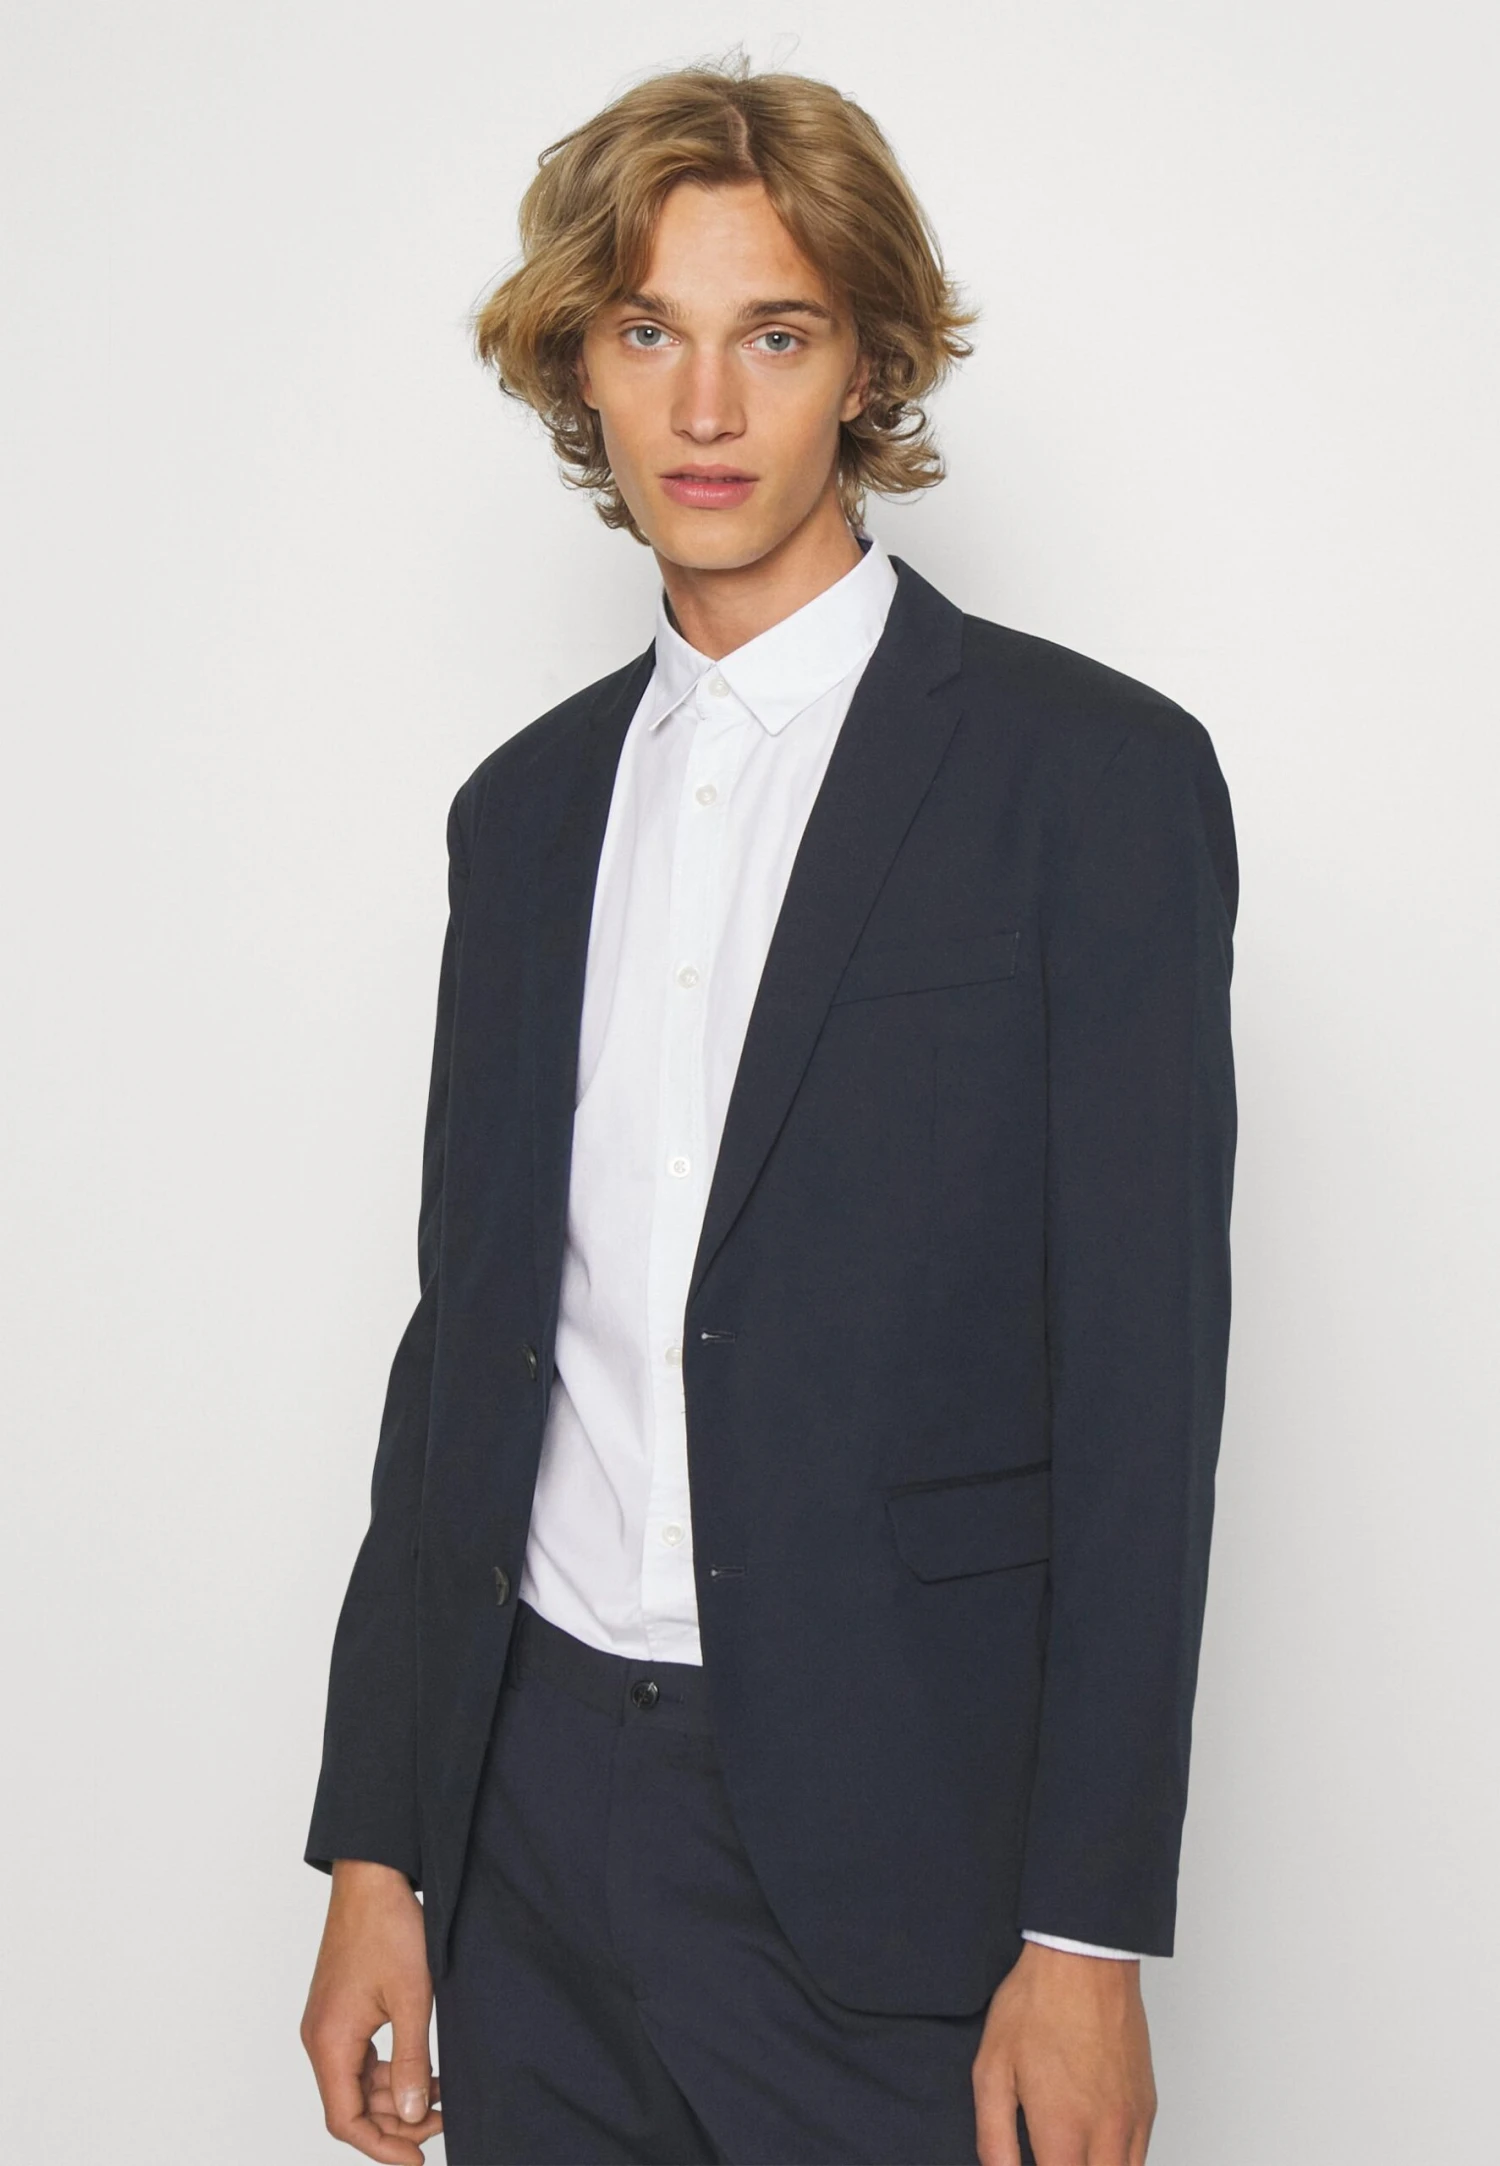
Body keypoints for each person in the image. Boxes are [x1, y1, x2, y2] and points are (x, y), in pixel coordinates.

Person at [298, 55, 1237, 2166]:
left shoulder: (1089, 787)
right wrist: (380, 1842)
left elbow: (1146, 1392)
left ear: (868, 366)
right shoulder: (523, 814)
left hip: (892, 1850)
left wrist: (1087, 1932)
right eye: (649, 333)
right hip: (529, 1830)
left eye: (776, 335)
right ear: (582, 366)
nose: (706, 409)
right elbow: (469, 1348)